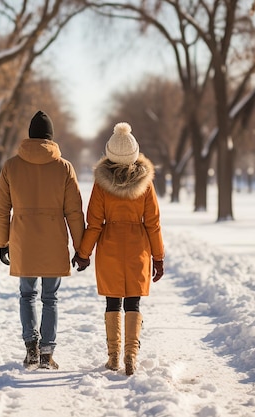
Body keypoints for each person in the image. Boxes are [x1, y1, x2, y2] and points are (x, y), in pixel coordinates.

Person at [0, 110, 86, 370]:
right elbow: (74, 211)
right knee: (50, 298)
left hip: (23, 240)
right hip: (53, 240)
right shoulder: (64, 167)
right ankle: (46, 353)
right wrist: (81, 249)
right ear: (51, 138)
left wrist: (3, 242)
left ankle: (31, 348)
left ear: (30, 136)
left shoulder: (11, 166)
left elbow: (1, 208)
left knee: (27, 295)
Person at [73, 122, 164, 376]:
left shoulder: (102, 185)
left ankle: (113, 357)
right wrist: (158, 257)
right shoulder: (146, 184)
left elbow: (93, 224)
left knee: (113, 301)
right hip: (138, 247)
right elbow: (154, 224)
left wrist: (83, 253)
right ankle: (131, 357)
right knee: (132, 302)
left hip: (110, 246)